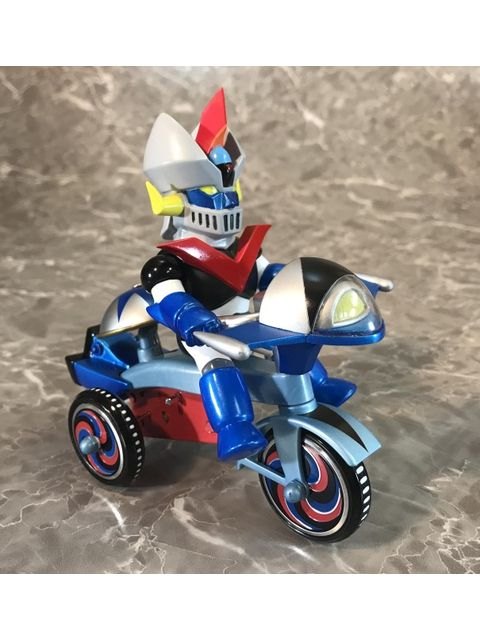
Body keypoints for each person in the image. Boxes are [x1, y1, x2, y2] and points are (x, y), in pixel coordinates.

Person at [140, 89, 283, 461]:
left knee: (289, 343)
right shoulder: (169, 263)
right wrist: (189, 314)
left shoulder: (244, 249)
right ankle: (233, 427)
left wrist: (289, 281)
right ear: (175, 200)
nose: (223, 200)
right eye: (207, 190)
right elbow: (168, 296)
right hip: (206, 335)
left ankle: (318, 387)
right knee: (217, 366)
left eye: (228, 188)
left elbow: (265, 275)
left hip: (249, 324)